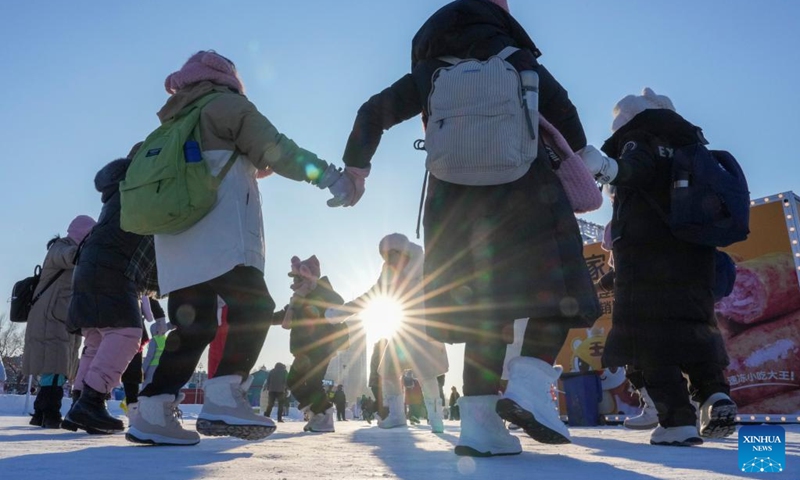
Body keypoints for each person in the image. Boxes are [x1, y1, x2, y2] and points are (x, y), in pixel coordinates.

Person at [339, 0, 600, 456]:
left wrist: (356, 168)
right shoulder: (520, 62)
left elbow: (372, 111)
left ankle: (479, 427)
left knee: (484, 312)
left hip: (454, 205)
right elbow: (567, 119)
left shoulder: (430, 72)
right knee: (558, 293)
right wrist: (585, 159)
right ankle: (529, 385)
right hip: (527, 192)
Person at [128, 50, 354, 446]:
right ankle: (224, 394)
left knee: (195, 324)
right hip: (221, 230)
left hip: (177, 234)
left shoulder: (178, 116)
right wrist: (331, 177)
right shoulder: (226, 104)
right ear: (227, 78)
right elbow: (278, 148)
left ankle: (152, 408)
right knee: (254, 306)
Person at [584, 87, 737, 446]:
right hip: (695, 260)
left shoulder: (640, 137)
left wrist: (606, 166)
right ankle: (715, 395)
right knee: (695, 333)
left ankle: (676, 421)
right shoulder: (692, 149)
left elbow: (636, 169)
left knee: (649, 343)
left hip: (647, 263)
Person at [65, 155, 160, 435]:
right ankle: (92, 400)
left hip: (91, 265)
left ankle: (79, 404)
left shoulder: (117, 192)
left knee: (96, 339)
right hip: (113, 267)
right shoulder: (142, 186)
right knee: (127, 333)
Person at [329, 234, 449, 433]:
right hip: (402, 331)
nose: (388, 259)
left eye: (392, 254)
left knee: (427, 374)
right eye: (385, 256)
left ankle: (436, 417)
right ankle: (396, 415)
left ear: (404, 252)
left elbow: (444, 291)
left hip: (426, 329)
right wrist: (342, 312)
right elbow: (368, 297)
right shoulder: (388, 276)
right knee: (387, 370)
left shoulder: (424, 267)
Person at [22, 215, 96, 428]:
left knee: (58, 367)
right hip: (50, 316)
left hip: (63, 316)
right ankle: (49, 412)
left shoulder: (73, 250)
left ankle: (41, 413)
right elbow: (70, 256)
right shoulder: (61, 247)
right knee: (54, 366)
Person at [272, 256, 348, 433]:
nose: (295, 282)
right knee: (295, 381)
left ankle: (324, 416)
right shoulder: (298, 299)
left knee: (311, 381)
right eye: (294, 278)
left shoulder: (322, 292)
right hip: (303, 350)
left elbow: (338, 301)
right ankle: (319, 414)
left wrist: (316, 286)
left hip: (321, 346)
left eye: (298, 278)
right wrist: (258, 318)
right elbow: (282, 316)